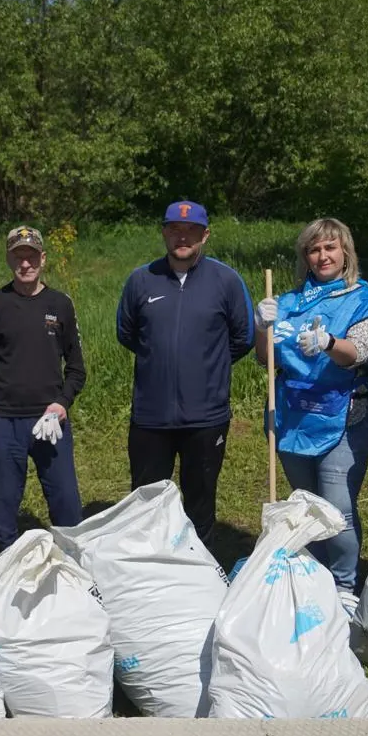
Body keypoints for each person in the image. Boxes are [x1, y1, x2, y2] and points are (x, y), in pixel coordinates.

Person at [253, 219, 368, 609]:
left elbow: (358, 353)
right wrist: (263, 327)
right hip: (293, 417)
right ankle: (312, 576)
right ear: (305, 257)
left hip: (342, 417)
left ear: (345, 251)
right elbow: (266, 358)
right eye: (314, 249)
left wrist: (328, 342)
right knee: (302, 504)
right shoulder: (289, 302)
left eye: (330, 247)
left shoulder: (365, 300)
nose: (322, 256)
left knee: (336, 508)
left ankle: (344, 589)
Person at [116, 199, 255, 543]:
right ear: (164, 233)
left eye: (190, 231)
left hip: (206, 417)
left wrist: (205, 365)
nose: (182, 237)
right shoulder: (141, 280)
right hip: (151, 417)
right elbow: (128, 334)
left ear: (204, 235)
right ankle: (146, 573)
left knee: (200, 502)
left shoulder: (226, 280)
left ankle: (201, 572)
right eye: (174, 230)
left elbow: (243, 338)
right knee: (146, 503)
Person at [0, 225, 87, 555]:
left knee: (66, 503)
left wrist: (62, 404)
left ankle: (73, 568)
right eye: (18, 257)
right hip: (6, 421)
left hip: (50, 422)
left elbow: (77, 370)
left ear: (43, 258)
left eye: (31, 256)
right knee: (5, 507)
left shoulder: (61, 304)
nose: (25, 264)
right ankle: (5, 573)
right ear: (9, 259)